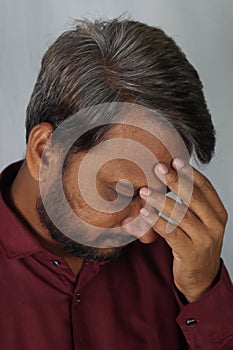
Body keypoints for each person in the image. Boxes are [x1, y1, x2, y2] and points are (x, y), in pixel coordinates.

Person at [0, 17, 232, 350]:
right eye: (120, 192)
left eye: (157, 195)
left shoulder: (180, 264)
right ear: (44, 151)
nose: (145, 231)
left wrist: (204, 292)